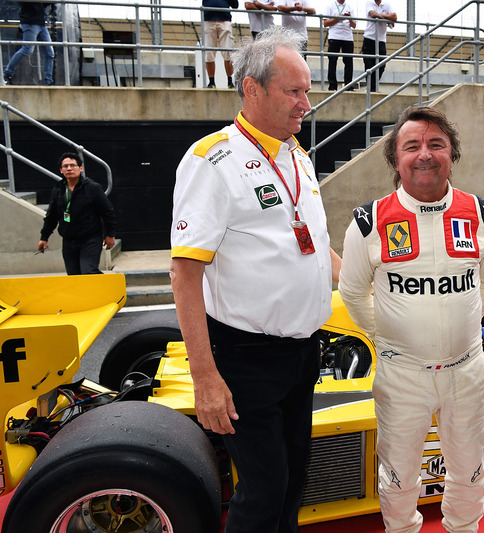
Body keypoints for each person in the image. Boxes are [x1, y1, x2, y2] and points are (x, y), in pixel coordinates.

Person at [170, 26, 341, 533]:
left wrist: (368, 281)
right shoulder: (212, 161)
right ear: (252, 89)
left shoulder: (297, 156)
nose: (306, 102)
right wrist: (205, 377)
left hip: (302, 351)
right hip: (245, 357)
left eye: (308, 90)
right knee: (263, 489)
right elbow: (184, 272)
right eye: (295, 91)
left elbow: (313, 245)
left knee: (292, 480)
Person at [338, 106, 484, 533]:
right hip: (401, 376)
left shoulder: (483, 214)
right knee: (397, 479)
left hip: (466, 371)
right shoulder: (368, 221)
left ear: (452, 153)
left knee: (470, 472)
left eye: (437, 144)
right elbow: (353, 292)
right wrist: (392, 335)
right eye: (412, 146)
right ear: (396, 158)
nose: (425, 154)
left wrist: (460, 324)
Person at [38, 152, 116, 275]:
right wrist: (44, 237)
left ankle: (106, 289)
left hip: (90, 238)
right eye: (65, 166)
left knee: (88, 271)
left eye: (72, 165)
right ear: (61, 170)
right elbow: (51, 216)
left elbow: (108, 212)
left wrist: (110, 234)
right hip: (69, 240)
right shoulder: (58, 189)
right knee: (74, 276)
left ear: (80, 168)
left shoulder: (92, 188)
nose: (69, 168)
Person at [3, 1, 55, 86]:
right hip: (30, 22)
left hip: (40, 23)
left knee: (49, 52)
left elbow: (43, 4)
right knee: (27, 49)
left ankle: (48, 80)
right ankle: (7, 73)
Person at [201, 0, 239, 89]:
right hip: (208, 20)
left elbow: (235, 4)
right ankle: (211, 82)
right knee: (209, 52)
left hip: (224, 19)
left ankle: (230, 82)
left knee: (228, 52)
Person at [362, 0, 396, 92]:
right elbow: (373, 14)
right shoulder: (369, 3)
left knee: (381, 65)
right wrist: (387, 18)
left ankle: (373, 87)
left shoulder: (387, 4)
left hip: (381, 40)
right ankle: (371, 88)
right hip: (369, 38)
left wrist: (380, 16)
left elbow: (394, 17)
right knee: (369, 65)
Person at [323, 0, 356, 91]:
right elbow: (325, 23)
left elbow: (354, 25)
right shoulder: (330, 6)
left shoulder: (350, 6)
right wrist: (337, 18)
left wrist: (349, 18)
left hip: (348, 37)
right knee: (332, 61)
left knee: (348, 62)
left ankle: (348, 85)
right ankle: (332, 86)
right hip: (334, 36)